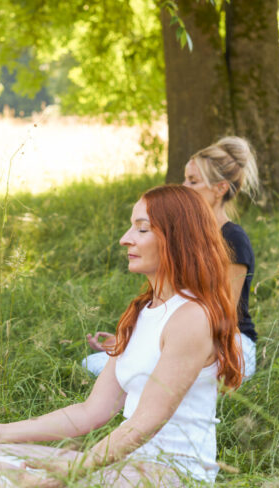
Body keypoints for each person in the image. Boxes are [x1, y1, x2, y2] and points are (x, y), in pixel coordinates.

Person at [0, 185, 242, 488]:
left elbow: (145, 423)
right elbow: (91, 411)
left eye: (141, 229)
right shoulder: (143, 311)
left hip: (172, 478)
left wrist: (77, 469)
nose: (125, 238)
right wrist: (1, 431)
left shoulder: (191, 317)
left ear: (178, 238)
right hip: (124, 463)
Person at [83, 137, 259, 381]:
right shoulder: (183, 235)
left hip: (228, 343)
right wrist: (133, 340)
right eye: (185, 178)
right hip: (183, 334)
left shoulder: (233, 239)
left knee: (140, 372)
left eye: (193, 181)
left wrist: (154, 347)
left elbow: (222, 314)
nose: (184, 186)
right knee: (94, 363)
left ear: (220, 188)